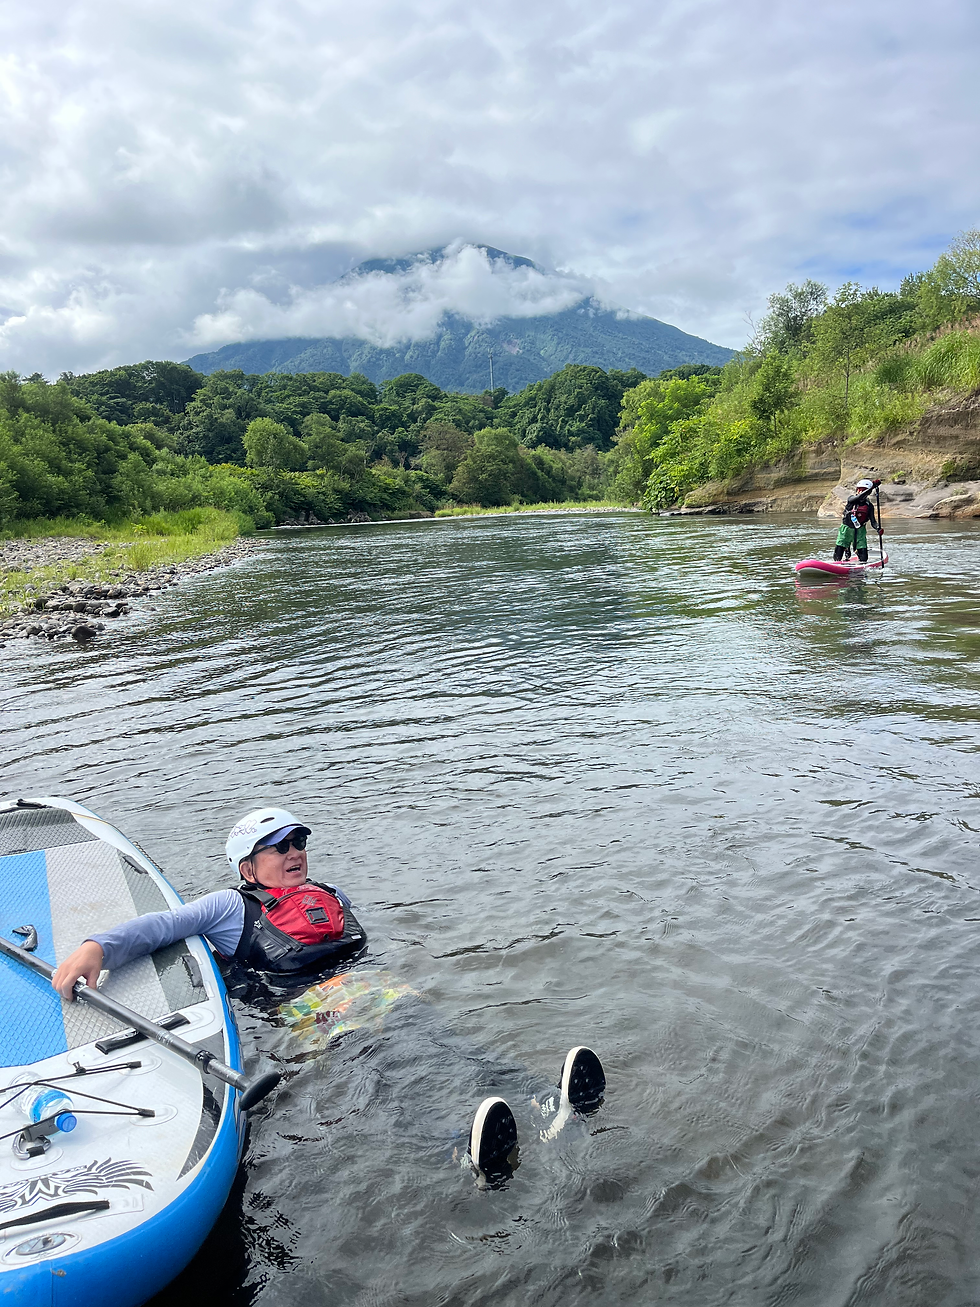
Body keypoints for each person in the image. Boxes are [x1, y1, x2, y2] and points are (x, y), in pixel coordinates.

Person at [50, 806, 367, 997]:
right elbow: (165, 925)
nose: (295, 852)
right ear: (247, 869)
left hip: (358, 984)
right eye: (280, 847)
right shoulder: (230, 906)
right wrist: (99, 948)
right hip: (303, 1002)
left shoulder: (330, 893)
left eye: (298, 842)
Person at [834, 478, 883, 563]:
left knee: (864, 558)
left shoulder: (869, 506)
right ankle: (845, 549)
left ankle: (857, 555)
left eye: (863, 490)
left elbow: (873, 522)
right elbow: (860, 497)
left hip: (860, 531)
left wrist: (878, 528)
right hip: (846, 530)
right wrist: (871, 487)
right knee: (837, 556)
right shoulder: (851, 499)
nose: (860, 492)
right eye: (859, 490)